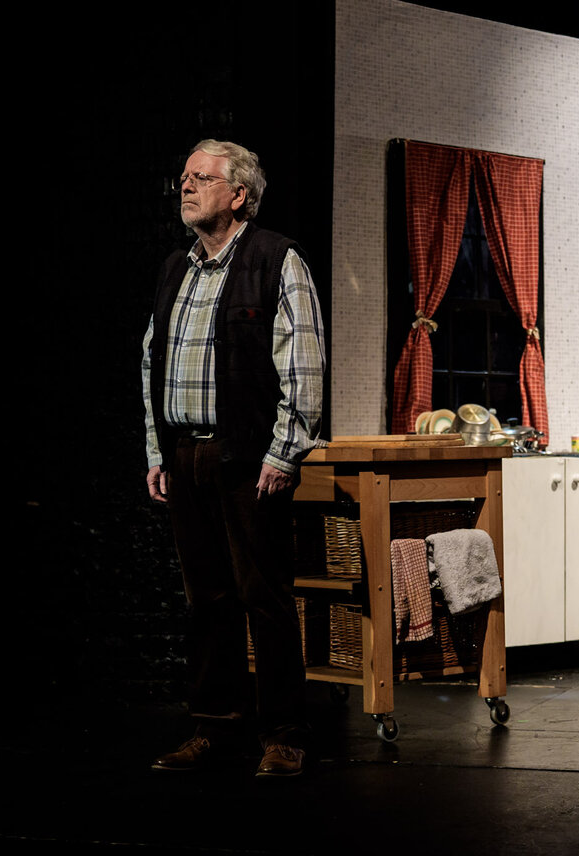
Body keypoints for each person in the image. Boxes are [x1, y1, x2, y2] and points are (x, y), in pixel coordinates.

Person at [141, 139, 326, 775]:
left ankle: (284, 734)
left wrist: (285, 451)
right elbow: (152, 361)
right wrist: (157, 449)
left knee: (264, 597)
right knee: (207, 600)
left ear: (239, 194)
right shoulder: (177, 267)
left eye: (201, 178)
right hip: (185, 455)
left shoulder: (276, 259)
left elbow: (302, 362)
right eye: (183, 177)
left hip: (248, 458)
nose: (185, 186)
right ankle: (214, 728)